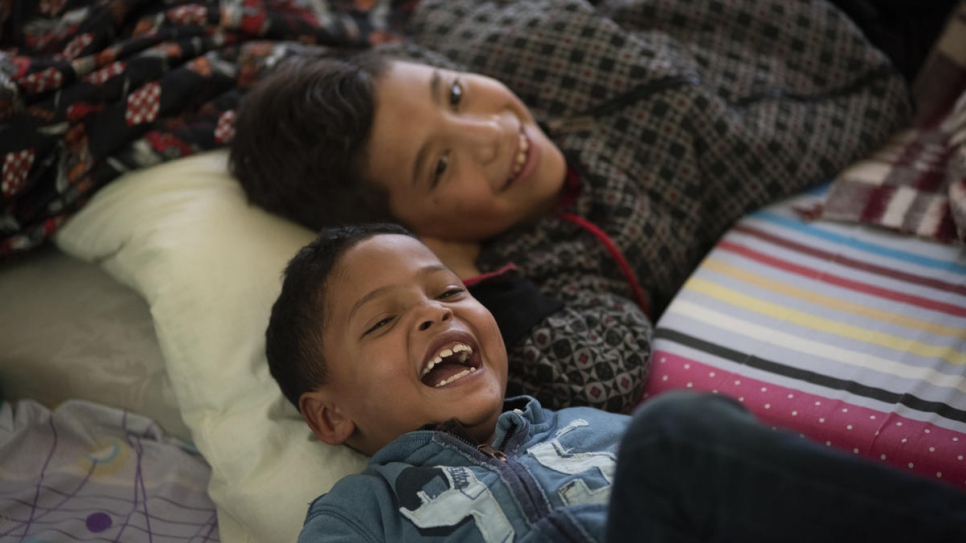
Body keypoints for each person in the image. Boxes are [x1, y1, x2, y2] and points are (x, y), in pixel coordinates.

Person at [232, 0, 916, 413]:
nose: (494, 135)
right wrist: (472, 277)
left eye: (457, 94)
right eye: (440, 166)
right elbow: (604, 368)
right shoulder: (557, 261)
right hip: (874, 69)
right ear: (416, 230)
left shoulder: (482, 31)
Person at [267, 222, 966, 543]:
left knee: (688, 434)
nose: (431, 314)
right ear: (329, 417)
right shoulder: (359, 514)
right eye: (384, 320)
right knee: (674, 436)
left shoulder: (590, 427)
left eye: (448, 291)